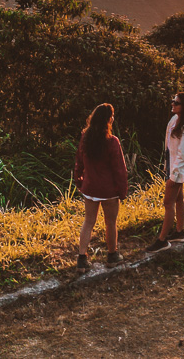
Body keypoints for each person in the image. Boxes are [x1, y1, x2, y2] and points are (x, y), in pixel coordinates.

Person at [73, 103, 128, 272]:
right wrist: (122, 191)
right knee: (110, 222)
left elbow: (79, 162)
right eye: (112, 116)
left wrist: (79, 181)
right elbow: (120, 169)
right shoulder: (112, 142)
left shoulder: (85, 137)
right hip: (108, 190)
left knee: (88, 222)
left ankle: (82, 259)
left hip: (90, 188)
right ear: (108, 120)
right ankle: (112, 255)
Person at [146, 91, 184, 253]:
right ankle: (179, 232)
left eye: (176, 103)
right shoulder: (175, 120)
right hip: (173, 166)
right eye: (173, 101)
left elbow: (182, 155)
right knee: (178, 199)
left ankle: (162, 240)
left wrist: (173, 176)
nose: (172, 104)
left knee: (168, 203)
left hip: (177, 169)